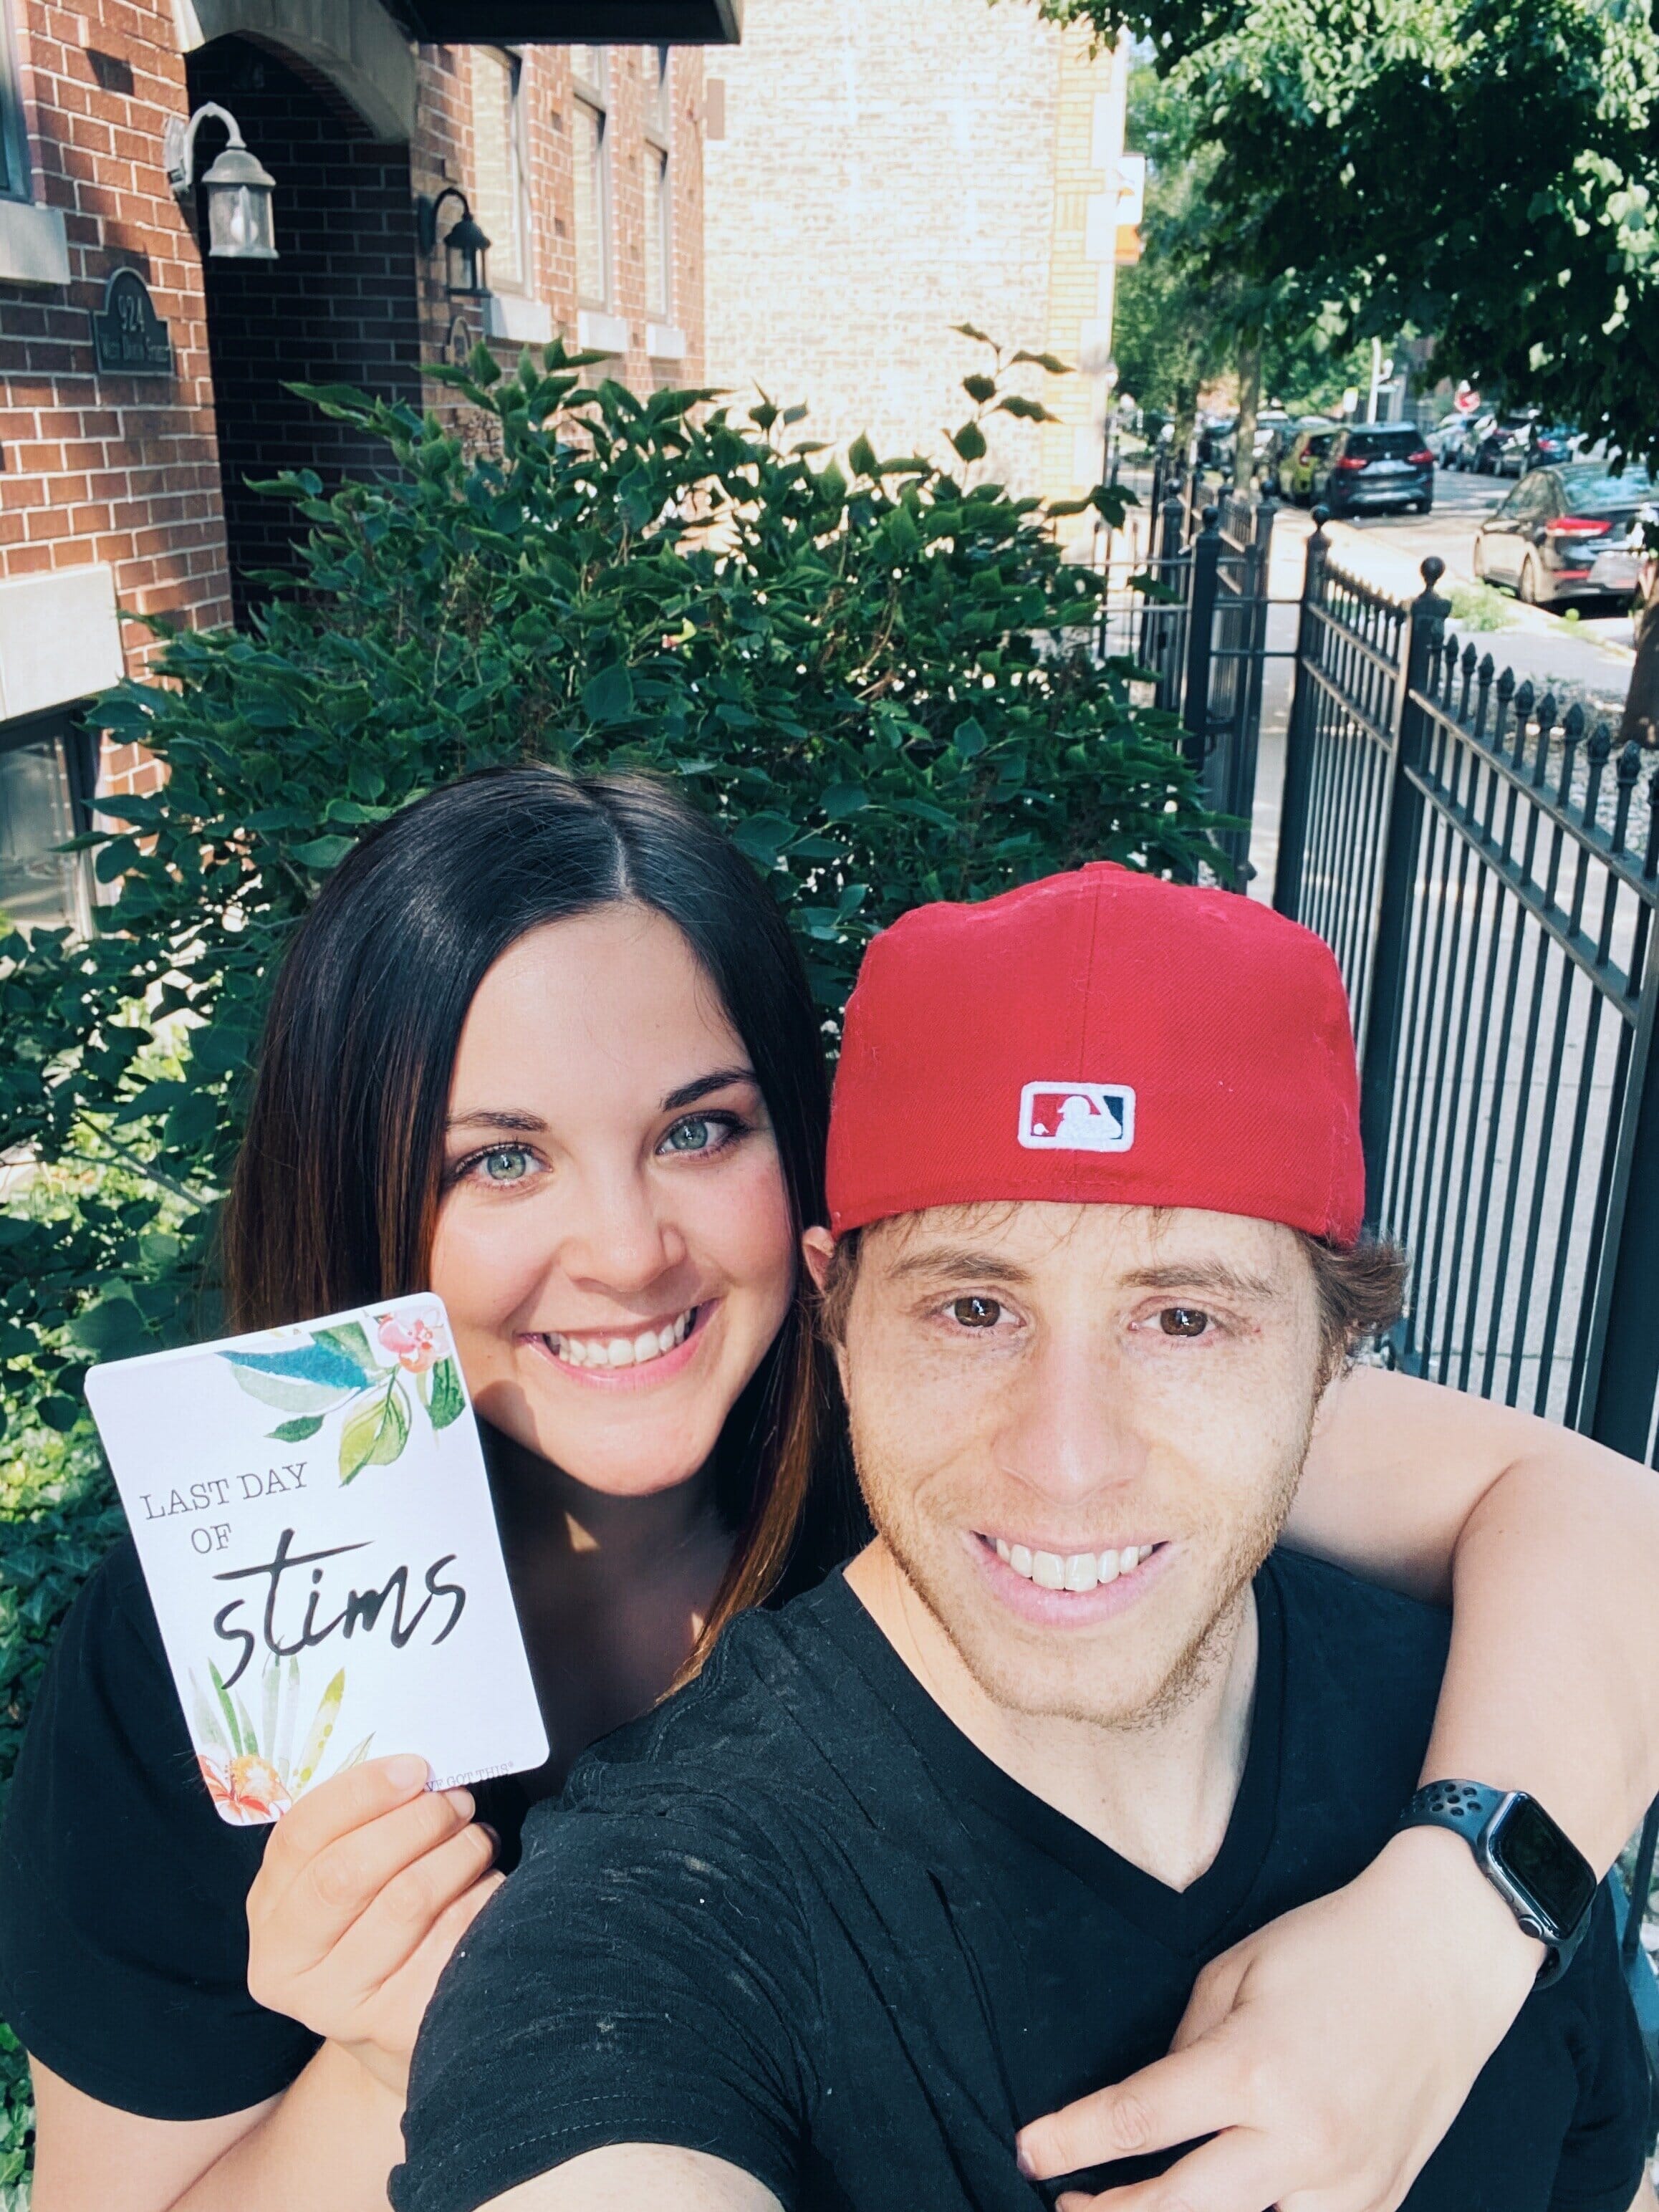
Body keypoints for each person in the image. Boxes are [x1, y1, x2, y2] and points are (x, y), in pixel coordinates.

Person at [2, 776, 1657, 2212]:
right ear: (363, 1187)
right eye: (497, 1157)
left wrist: (1449, 1940)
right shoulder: (217, 1642)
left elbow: (1593, 1520)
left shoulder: (959, 1451)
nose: (629, 1248)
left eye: (699, 1129)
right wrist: (384, 2067)